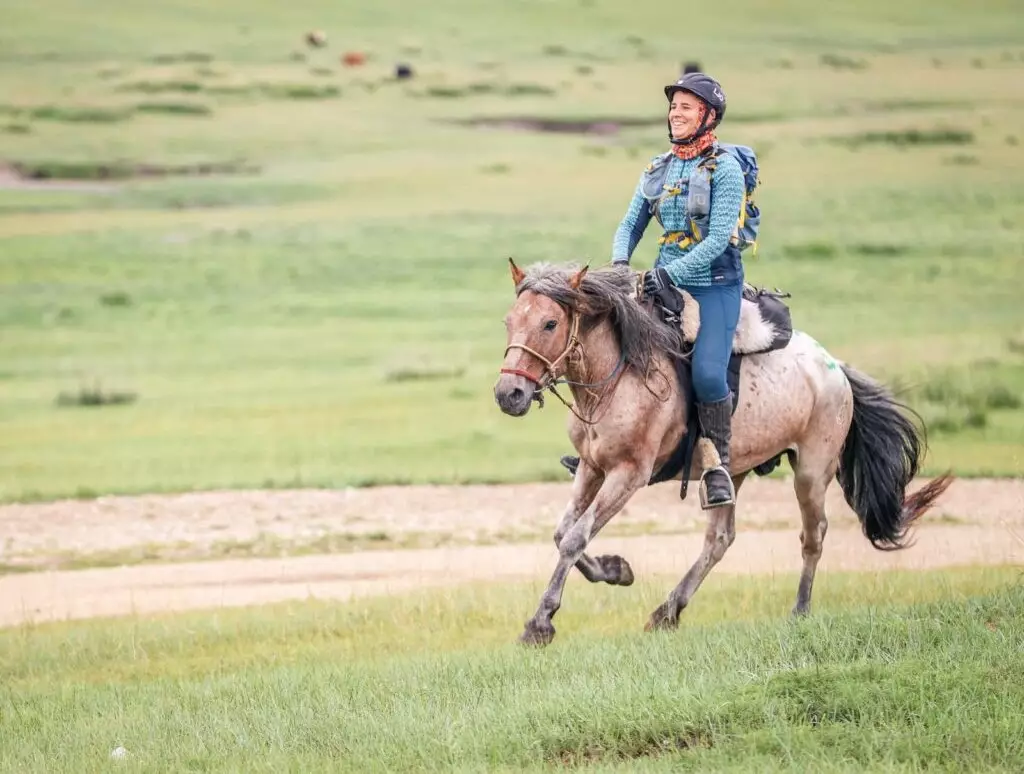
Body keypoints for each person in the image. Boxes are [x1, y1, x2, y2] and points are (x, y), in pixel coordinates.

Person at [561, 72, 746, 507]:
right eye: (673, 106)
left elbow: (718, 239)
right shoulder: (659, 167)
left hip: (715, 287)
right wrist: (622, 263)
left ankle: (717, 464)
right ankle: (603, 446)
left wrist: (669, 274)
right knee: (613, 342)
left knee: (705, 372)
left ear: (709, 116)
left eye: (686, 107)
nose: (675, 114)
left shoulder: (728, 170)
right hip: (660, 281)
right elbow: (630, 224)